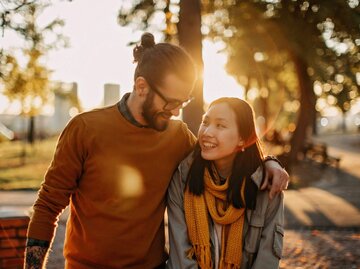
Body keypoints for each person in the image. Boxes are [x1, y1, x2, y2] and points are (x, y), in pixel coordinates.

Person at [25, 33, 288, 269]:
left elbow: (222, 152)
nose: (176, 112)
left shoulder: (178, 137)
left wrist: (270, 162)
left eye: (183, 103)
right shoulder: (84, 129)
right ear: (142, 87)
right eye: (171, 102)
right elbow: (48, 206)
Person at [167, 97, 285, 269]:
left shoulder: (266, 185)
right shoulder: (182, 177)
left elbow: (267, 259)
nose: (207, 132)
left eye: (220, 125)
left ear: (242, 139)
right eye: (205, 122)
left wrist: (271, 161)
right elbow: (180, 256)